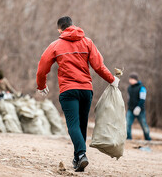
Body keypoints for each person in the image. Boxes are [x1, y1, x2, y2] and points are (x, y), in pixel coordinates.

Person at [36, 16, 119, 172]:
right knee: (82, 125)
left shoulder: (56, 45)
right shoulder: (87, 42)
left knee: (73, 125)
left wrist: (41, 85)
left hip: (69, 90)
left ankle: (81, 154)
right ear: (72, 26)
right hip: (86, 90)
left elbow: (42, 67)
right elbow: (99, 66)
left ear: (60, 29)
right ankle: (77, 159)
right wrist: (112, 79)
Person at [126, 72, 151, 141]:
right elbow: (128, 98)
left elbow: (143, 99)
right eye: (129, 79)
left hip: (140, 110)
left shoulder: (141, 87)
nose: (130, 80)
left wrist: (138, 107)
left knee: (144, 125)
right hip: (130, 110)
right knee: (127, 124)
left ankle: (148, 139)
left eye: (131, 79)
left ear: (135, 79)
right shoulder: (129, 88)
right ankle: (128, 138)